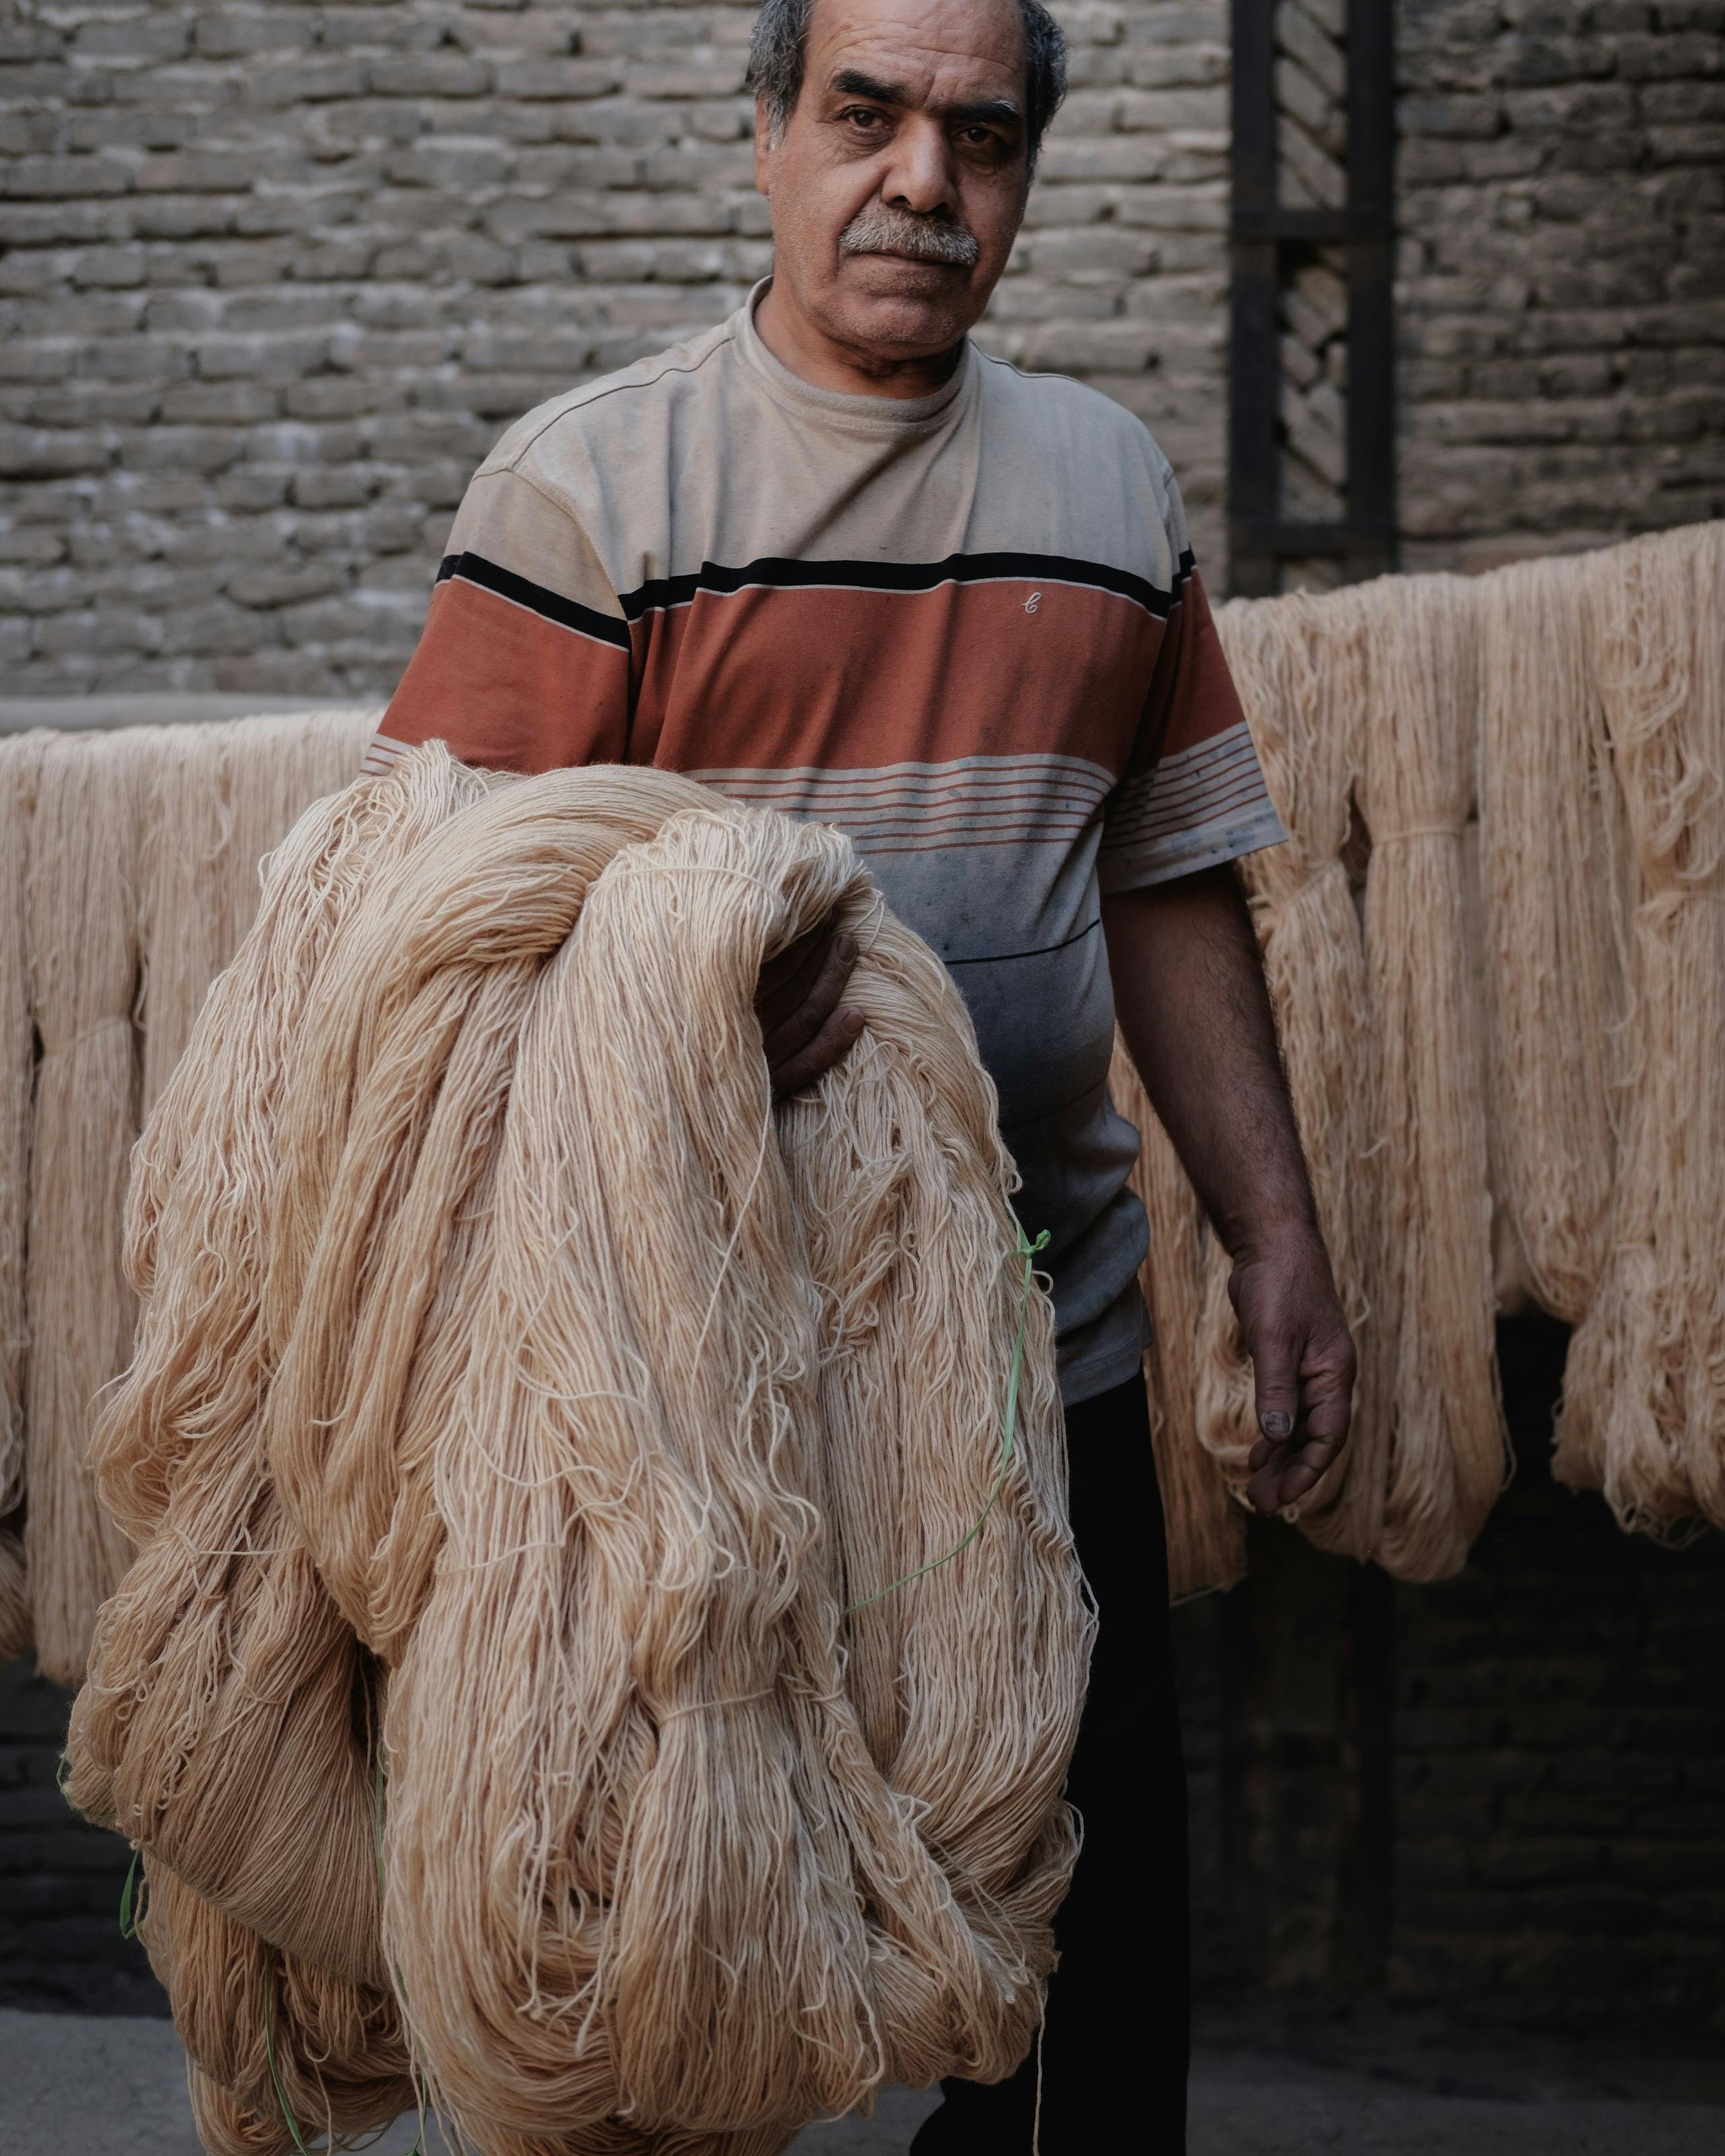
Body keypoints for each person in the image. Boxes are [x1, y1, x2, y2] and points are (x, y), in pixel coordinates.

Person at [365, 0, 1357, 2145]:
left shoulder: (1107, 485)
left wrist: (1276, 1231)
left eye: (981, 135)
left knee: (1080, 1968)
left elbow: (1172, 879)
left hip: (1033, 1365)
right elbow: (413, 951)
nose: (923, 177)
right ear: (767, 136)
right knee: (664, 1970)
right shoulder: (594, 486)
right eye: (869, 115)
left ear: (1028, 174)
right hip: (689, 1391)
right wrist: (670, 967)